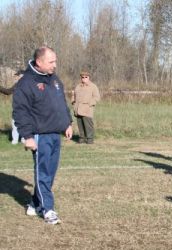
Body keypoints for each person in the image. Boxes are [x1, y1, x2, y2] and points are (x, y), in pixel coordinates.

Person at [12, 47, 73, 224]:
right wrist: (27, 136)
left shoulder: (54, 79)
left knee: (50, 173)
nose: (55, 65)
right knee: (43, 173)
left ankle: (35, 203)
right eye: (51, 61)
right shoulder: (26, 83)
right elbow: (20, 112)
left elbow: (61, 103)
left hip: (55, 133)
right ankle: (48, 210)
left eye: (55, 61)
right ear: (39, 62)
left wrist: (67, 122)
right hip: (40, 135)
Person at [72, 70, 100, 144]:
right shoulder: (78, 86)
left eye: (86, 77)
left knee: (88, 126)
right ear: (81, 78)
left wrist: (89, 104)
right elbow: (73, 95)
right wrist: (73, 103)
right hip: (78, 109)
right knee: (80, 125)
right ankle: (82, 139)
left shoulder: (93, 86)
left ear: (88, 77)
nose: (84, 78)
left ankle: (90, 140)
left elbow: (97, 97)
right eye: (82, 77)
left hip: (87, 110)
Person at [0, 69, 24, 144]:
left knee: (25, 124)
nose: (16, 77)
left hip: (25, 109)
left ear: (22, 76)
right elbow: (8, 92)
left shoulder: (29, 85)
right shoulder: (16, 84)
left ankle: (24, 139)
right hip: (16, 108)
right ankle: (15, 140)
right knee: (15, 124)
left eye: (18, 75)